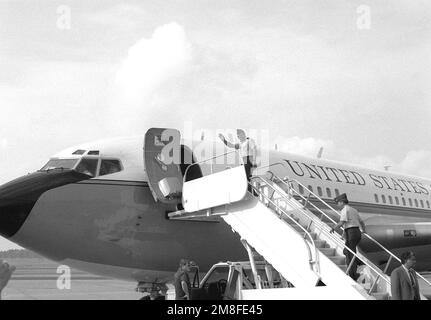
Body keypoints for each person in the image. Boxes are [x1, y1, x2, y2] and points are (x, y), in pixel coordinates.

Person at [330, 193, 366, 280]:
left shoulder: (344, 210)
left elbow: (342, 222)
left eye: (338, 203)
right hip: (357, 232)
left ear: (342, 202)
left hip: (351, 233)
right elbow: (361, 222)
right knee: (347, 251)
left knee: (349, 254)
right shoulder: (354, 210)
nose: (337, 205)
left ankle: (353, 275)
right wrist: (364, 230)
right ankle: (358, 261)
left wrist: (334, 228)